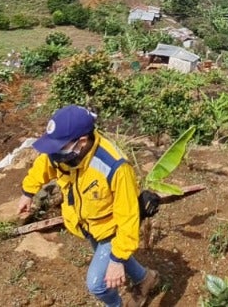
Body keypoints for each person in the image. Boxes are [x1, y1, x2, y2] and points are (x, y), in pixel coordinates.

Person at [17, 105, 159, 307]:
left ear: (82, 142)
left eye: (58, 148)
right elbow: (44, 165)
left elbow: (128, 217)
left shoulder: (114, 167)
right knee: (108, 258)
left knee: (97, 285)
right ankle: (146, 278)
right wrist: (27, 192)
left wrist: (117, 260)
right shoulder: (65, 154)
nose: (53, 154)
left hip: (112, 230)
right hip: (89, 225)